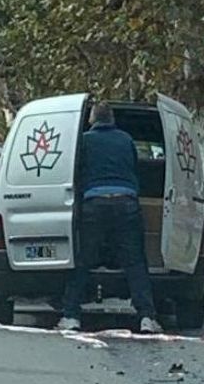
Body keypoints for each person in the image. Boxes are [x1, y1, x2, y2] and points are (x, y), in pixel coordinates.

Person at [57, 101, 163, 334]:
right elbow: (135, 169)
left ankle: (71, 315)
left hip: (94, 204)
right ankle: (147, 317)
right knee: (135, 262)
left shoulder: (83, 141)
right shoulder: (126, 140)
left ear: (92, 120)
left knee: (83, 260)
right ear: (112, 119)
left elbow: (75, 173)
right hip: (126, 203)